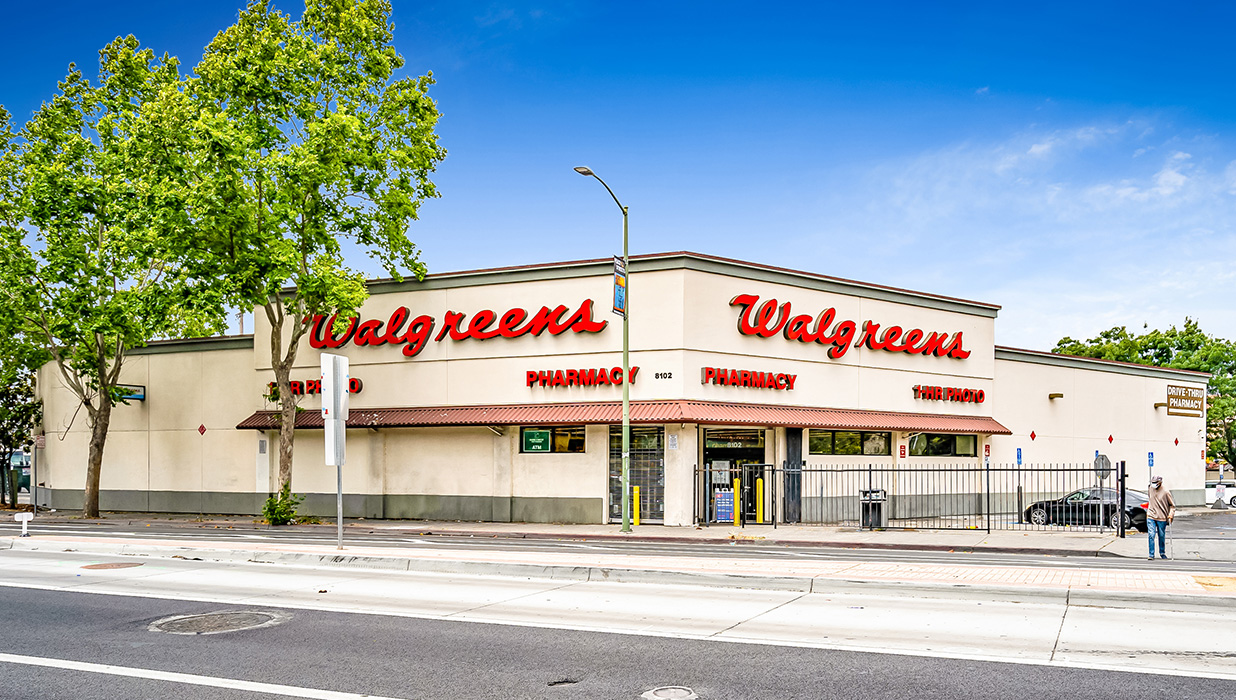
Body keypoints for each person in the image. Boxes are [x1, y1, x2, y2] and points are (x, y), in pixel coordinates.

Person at [1146, 475, 1175, 560]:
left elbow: (1172, 506)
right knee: (1151, 534)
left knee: (1161, 535)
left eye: (1155, 483)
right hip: (1151, 515)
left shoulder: (1166, 492)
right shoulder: (1150, 488)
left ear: (1160, 483)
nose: (1153, 484)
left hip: (1162, 516)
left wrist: (1171, 514)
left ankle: (1162, 552)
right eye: (1152, 482)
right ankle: (1151, 554)